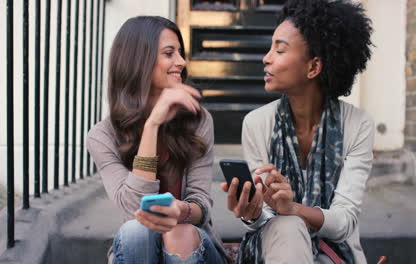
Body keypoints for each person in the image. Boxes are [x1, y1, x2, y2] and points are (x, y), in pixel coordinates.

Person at [221, 0, 374, 263]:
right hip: (276, 246)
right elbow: (262, 221)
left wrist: (292, 209)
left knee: (290, 221)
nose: (265, 58)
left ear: (313, 67)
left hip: (334, 253)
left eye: (279, 50)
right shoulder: (257, 123)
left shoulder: (357, 125)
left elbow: (345, 221)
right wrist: (252, 212)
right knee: (287, 226)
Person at [87, 16, 228, 264]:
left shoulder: (198, 120)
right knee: (135, 230)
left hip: (194, 245)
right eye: (169, 53)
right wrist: (152, 125)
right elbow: (133, 208)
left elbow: (201, 205)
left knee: (179, 231)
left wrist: (180, 212)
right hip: (137, 248)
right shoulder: (102, 136)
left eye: (180, 53)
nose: (181, 62)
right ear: (139, 61)